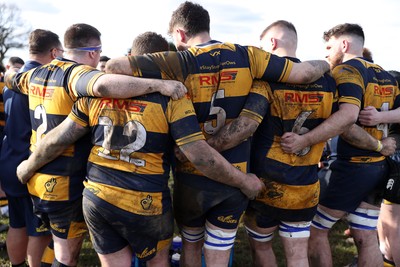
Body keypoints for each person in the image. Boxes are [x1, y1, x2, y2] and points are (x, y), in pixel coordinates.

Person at [105, 2, 331, 266]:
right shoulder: (248, 56)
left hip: (190, 175)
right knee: (220, 249)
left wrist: (161, 84)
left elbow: (114, 67)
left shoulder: (179, 60)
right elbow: (304, 73)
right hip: (234, 175)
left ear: (179, 34)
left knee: (191, 245)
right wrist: (328, 63)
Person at [15, 31, 264, 267]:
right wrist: (243, 181)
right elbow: (198, 154)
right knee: (157, 261)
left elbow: (58, 138)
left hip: (98, 196)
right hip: (145, 201)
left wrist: (29, 165)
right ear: (161, 62)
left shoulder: (93, 97)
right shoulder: (172, 97)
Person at [3, 23, 189, 267]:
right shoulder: (78, 74)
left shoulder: (35, 73)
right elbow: (102, 85)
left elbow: (10, 79)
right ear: (93, 53)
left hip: (37, 173)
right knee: (66, 253)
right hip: (63, 178)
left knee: (48, 238)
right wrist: (160, 85)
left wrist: (8, 75)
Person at [280, 23, 399, 267]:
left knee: (314, 228)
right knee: (366, 235)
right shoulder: (386, 74)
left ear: (344, 45)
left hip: (351, 166)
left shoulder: (346, 70)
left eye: (329, 46)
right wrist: (385, 144)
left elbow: (346, 120)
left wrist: (305, 140)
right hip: (379, 168)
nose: (326, 54)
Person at [234, 20, 336, 267]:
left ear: (272, 43)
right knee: (298, 255)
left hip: (266, 184)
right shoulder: (328, 81)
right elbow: (341, 122)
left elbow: (247, 125)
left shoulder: (266, 79)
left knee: (262, 246)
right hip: (306, 185)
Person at [0, 30, 62, 267]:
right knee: (40, 230)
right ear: (54, 52)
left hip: (8, 156)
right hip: (30, 163)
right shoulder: (40, 80)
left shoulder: (11, 80)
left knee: (17, 223)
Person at [358, 70, 400, 267]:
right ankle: (387, 261)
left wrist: (379, 116)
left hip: (397, 162)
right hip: (390, 162)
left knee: (394, 223)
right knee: (385, 217)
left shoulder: (395, 81)